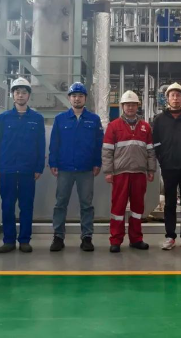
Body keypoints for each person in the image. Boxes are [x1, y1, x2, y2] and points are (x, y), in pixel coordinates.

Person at [0, 77, 46, 254]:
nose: (20, 95)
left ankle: (24, 240)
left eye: (23, 92)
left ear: (29, 95)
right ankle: (8, 240)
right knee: (7, 206)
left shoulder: (37, 118)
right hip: (7, 169)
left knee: (26, 206)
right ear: (12, 95)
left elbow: (40, 145)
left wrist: (38, 167)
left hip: (27, 170)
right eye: (17, 92)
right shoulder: (3, 118)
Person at [48, 82, 103, 252]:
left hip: (86, 169)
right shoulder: (60, 119)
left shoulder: (94, 119)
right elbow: (54, 143)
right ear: (69, 98)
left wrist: (97, 163)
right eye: (74, 96)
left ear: (85, 98)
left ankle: (87, 237)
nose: (77, 98)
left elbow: (98, 144)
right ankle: (58, 237)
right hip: (64, 168)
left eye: (80, 96)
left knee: (86, 204)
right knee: (60, 203)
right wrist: (53, 162)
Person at [102, 91, 156, 253]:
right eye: (127, 105)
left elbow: (150, 151)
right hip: (120, 173)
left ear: (137, 106)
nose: (130, 107)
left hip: (139, 173)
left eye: (133, 104)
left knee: (137, 209)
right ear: (122, 106)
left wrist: (151, 169)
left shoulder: (145, 127)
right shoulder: (113, 126)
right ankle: (116, 240)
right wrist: (108, 171)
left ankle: (136, 239)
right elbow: (107, 151)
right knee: (118, 208)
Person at [152, 82, 181, 250]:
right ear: (167, 98)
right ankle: (170, 236)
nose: (175, 98)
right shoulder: (159, 120)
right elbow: (156, 143)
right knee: (169, 203)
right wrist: (163, 159)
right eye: (172, 95)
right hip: (169, 167)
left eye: (178, 95)